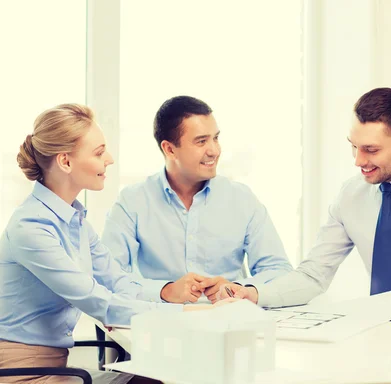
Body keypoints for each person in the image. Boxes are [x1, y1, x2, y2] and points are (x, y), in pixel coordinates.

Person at [0, 104, 225, 383]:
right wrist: (190, 315)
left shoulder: (75, 220)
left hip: (56, 367)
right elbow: (98, 301)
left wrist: (168, 293)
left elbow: (117, 282)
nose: (109, 159)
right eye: (98, 152)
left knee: (162, 375)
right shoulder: (31, 228)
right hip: (22, 374)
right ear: (65, 162)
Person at [217, 87, 391, 308]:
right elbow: (314, 275)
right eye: (353, 147)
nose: (358, 160)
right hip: (378, 334)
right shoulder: (351, 195)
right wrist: (252, 294)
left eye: (370, 150)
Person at [101, 96, 292, 304]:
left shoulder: (242, 199)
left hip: (230, 323)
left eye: (215, 138)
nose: (214, 151)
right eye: (201, 141)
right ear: (169, 149)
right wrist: (165, 290)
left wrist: (239, 288)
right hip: (160, 325)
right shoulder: (133, 201)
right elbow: (108, 276)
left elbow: (280, 271)